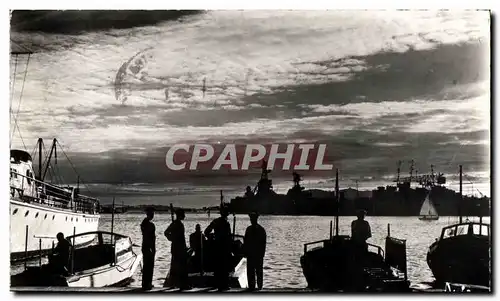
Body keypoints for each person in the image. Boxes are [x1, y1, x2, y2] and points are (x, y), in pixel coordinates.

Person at [204, 206, 232, 291]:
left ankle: (219, 285)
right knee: (224, 267)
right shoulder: (225, 223)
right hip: (223, 248)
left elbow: (206, 232)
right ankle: (224, 285)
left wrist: (212, 238)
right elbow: (228, 237)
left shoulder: (216, 221)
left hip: (218, 247)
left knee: (218, 267)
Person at [165, 208, 189, 289]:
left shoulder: (178, 223)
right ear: (180, 215)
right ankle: (180, 284)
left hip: (179, 248)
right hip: (177, 249)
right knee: (180, 267)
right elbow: (166, 232)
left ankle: (176, 284)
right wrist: (172, 239)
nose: (184, 216)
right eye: (183, 214)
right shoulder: (176, 224)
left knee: (178, 266)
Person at [243, 212, 267, 291]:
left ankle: (259, 287)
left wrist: (262, 254)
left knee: (258, 271)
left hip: (257, 254)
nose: (251, 220)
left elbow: (263, 243)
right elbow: (245, 242)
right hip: (251, 254)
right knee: (251, 272)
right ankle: (252, 287)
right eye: (251, 219)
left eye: (253, 219)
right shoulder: (250, 229)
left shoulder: (260, 230)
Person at [141, 207, 156, 290]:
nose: (153, 215)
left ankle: (147, 283)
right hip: (148, 247)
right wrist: (151, 248)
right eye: (152, 214)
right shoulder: (148, 224)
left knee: (148, 266)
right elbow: (148, 237)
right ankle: (147, 283)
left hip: (147, 247)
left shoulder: (145, 223)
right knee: (148, 266)